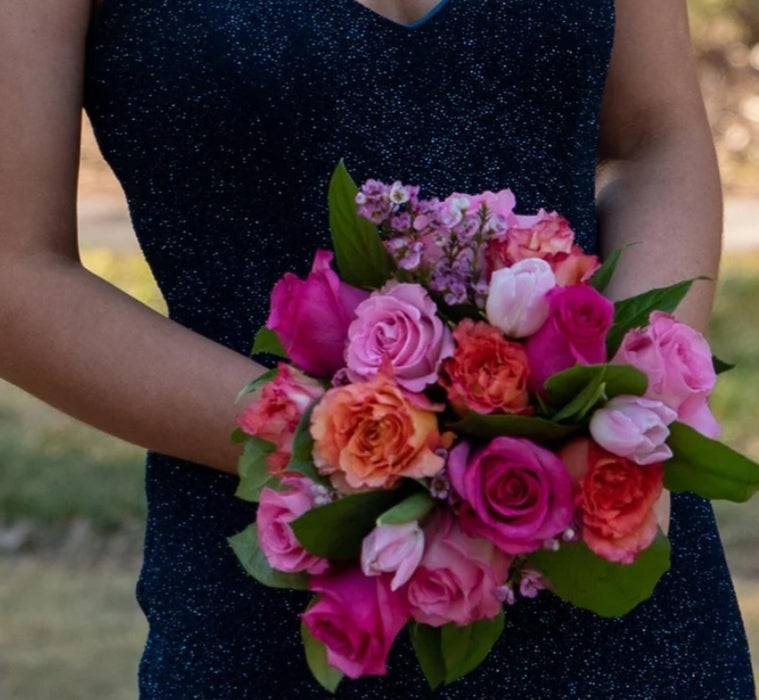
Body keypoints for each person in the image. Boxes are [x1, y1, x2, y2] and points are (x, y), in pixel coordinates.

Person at [0, 0, 754, 698]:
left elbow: (658, 139)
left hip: (619, 583)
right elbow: (15, 271)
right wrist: (354, 445)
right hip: (289, 599)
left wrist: (619, 395)